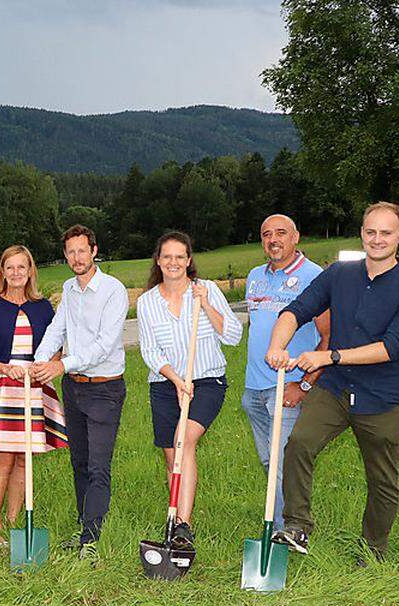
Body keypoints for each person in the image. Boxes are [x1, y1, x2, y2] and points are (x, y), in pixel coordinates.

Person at [267, 202, 399, 563]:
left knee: (382, 481)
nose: (377, 239)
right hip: (336, 389)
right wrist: (278, 344)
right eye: (371, 232)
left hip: (384, 398)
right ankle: (297, 526)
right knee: (300, 444)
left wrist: (330, 356)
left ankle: (372, 552)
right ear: (362, 233)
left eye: (386, 233)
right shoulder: (339, 274)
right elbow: (297, 310)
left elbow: (393, 347)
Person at [136, 231, 243, 547]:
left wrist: (207, 305)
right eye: (167, 256)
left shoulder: (206, 290)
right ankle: (174, 518)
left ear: (188, 260)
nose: (173, 262)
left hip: (207, 381)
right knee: (172, 458)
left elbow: (233, 335)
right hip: (166, 384)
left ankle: (183, 526)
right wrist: (176, 379)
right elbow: (150, 352)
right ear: (159, 260)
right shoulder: (146, 302)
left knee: (183, 443)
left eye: (179, 256)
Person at [32, 225, 128, 563]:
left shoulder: (114, 291)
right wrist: (39, 362)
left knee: (99, 466)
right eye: (70, 252)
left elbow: (104, 345)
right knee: (79, 462)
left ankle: (92, 537)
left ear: (94, 251)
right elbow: (56, 330)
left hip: (104, 389)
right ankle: (84, 527)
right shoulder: (69, 290)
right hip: (73, 388)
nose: (76, 257)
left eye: (81, 250)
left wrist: (63, 364)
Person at [0, 245, 67, 546]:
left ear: (30, 271)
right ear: (3, 272)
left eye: (21, 267)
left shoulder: (43, 307)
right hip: (3, 388)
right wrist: (4, 368)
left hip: (35, 388)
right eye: (9, 268)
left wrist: (47, 366)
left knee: (25, 460)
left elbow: (56, 346)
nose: (15, 273)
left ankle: (14, 521)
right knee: (3, 460)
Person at [241, 215, 329, 531]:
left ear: (296, 237)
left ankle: (284, 530)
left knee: (282, 464)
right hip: (254, 388)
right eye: (267, 234)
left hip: (287, 387)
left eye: (281, 233)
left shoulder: (314, 276)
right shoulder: (255, 277)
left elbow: (328, 335)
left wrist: (304, 385)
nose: (273, 239)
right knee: (269, 463)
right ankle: (282, 520)